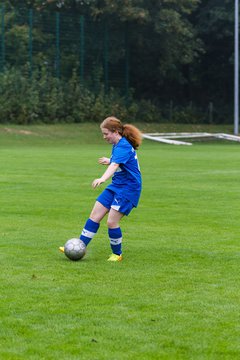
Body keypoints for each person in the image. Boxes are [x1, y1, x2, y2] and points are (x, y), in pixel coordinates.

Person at [60, 116, 142, 262]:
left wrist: (103, 178)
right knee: (95, 215)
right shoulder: (117, 144)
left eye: (106, 134)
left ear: (116, 132)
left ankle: (117, 254)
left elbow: (116, 165)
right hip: (116, 186)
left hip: (128, 188)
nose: (104, 137)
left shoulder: (123, 145)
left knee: (111, 222)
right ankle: (79, 246)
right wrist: (109, 160)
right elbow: (120, 161)